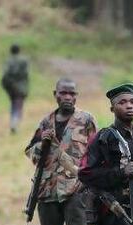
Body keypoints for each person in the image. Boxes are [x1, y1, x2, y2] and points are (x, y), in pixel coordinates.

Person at [24, 78, 97, 225]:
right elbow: (30, 152)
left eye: (72, 93)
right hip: (47, 190)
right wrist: (42, 144)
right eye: (63, 93)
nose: (68, 97)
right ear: (55, 94)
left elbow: (96, 152)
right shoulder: (45, 122)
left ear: (76, 95)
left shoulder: (86, 120)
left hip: (76, 190)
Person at [79, 83, 133, 225]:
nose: (129, 106)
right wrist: (121, 172)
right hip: (114, 214)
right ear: (112, 109)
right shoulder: (104, 137)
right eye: (122, 102)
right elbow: (85, 174)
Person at [1, 44, 29, 133]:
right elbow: (26, 75)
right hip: (20, 87)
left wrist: (6, 86)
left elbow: (4, 75)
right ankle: (14, 123)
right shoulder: (23, 61)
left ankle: (13, 122)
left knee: (13, 105)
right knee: (18, 105)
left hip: (10, 87)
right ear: (19, 50)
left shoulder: (8, 61)